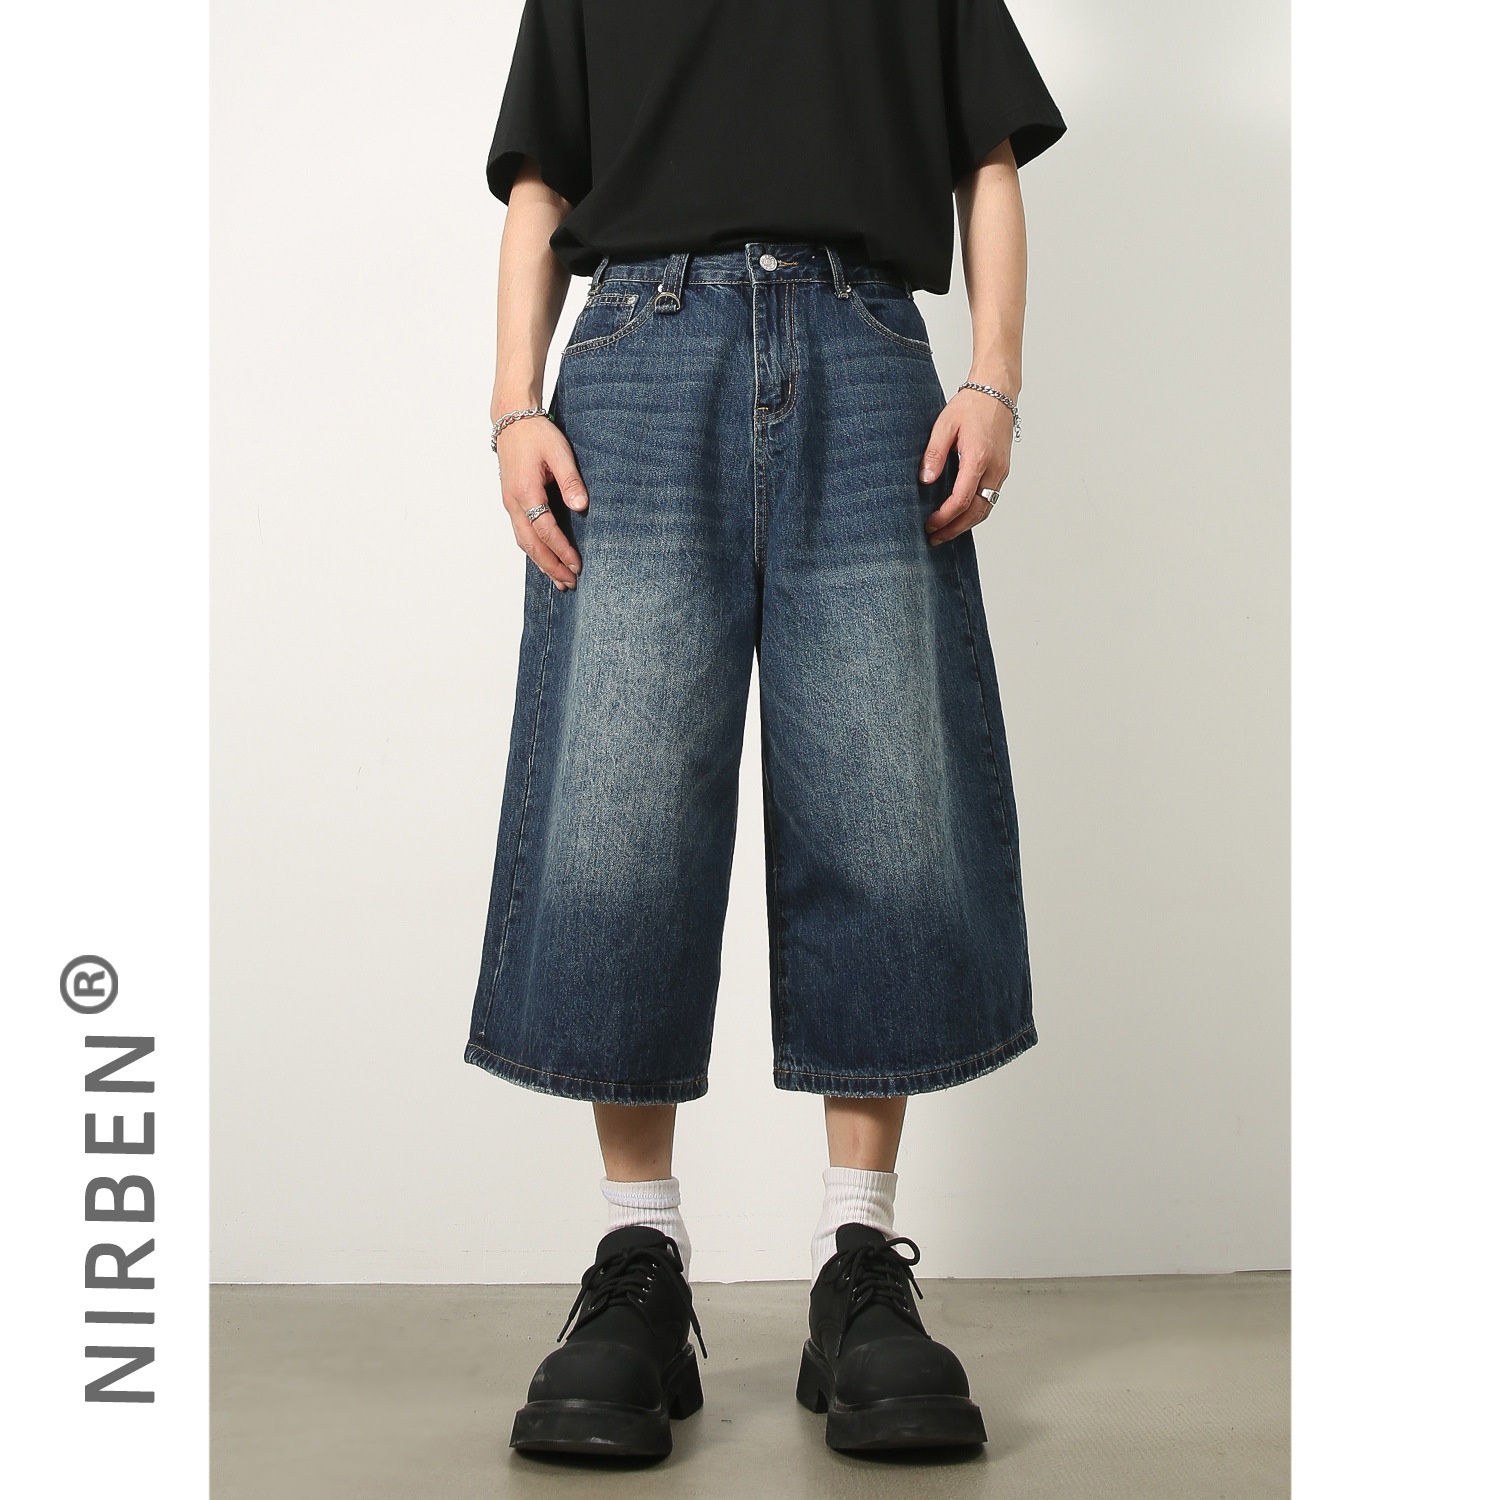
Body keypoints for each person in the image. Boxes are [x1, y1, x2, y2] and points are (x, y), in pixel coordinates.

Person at [465, 0, 1065, 1461]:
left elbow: (987, 155)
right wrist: (511, 405)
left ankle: (859, 1262)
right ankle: (638, 1258)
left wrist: (994, 375)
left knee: (882, 802)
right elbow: (542, 175)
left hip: (866, 352)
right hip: (635, 358)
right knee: (619, 816)